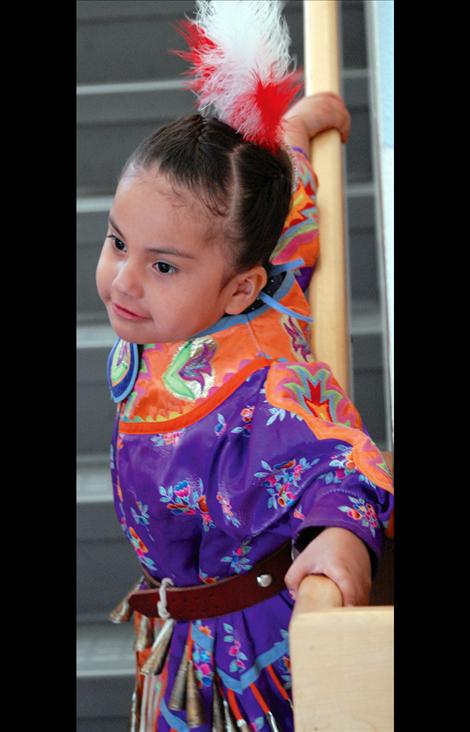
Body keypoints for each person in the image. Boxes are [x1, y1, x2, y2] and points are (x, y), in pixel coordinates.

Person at [95, 2, 394, 730]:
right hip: (179, 638)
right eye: (116, 241)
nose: (125, 280)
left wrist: (342, 541)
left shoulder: (261, 387)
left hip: (241, 660)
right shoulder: (236, 283)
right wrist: (288, 138)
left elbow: (342, 462)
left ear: (238, 289)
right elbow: (286, 233)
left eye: (162, 264)